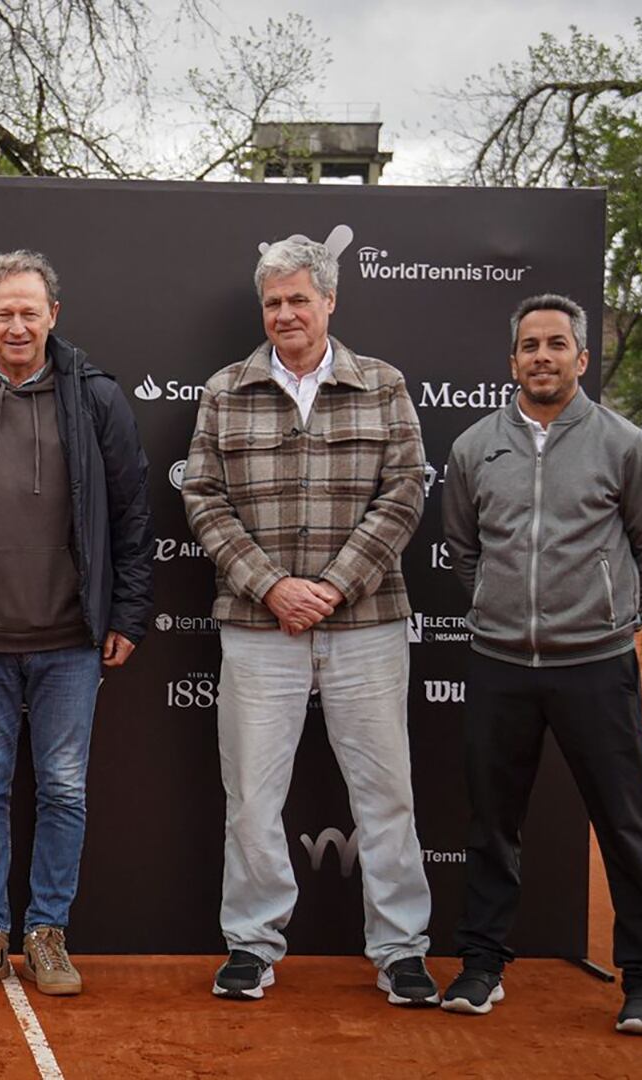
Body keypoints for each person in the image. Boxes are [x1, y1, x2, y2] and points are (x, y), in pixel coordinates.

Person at [182, 233, 438, 1007]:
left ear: (329, 301)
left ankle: (400, 950)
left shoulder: (383, 385)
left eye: (299, 299)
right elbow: (202, 498)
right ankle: (252, 946)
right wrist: (273, 588)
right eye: (273, 302)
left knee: (386, 794)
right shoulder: (225, 389)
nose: (286, 313)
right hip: (260, 627)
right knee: (253, 798)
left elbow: (404, 494)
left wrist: (329, 587)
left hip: (367, 623)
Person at [440, 293, 642, 1035]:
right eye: (529, 346)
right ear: (511, 361)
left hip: (596, 668)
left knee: (624, 824)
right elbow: (463, 548)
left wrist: (608, 622)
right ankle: (482, 965)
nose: (542, 356)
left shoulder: (624, 444)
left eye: (556, 344)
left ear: (582, 357)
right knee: (490, 824)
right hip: (499, 665)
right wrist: (497, 606)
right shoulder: (475, 447)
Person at [0, 250, 154, 997]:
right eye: (3, 312)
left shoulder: (97, 399)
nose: (17, 325)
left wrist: (128, 611)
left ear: (54, 315)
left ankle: (47, 930)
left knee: (63, 789)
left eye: (30, 311)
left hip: (70, 637)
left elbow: (132, 514)